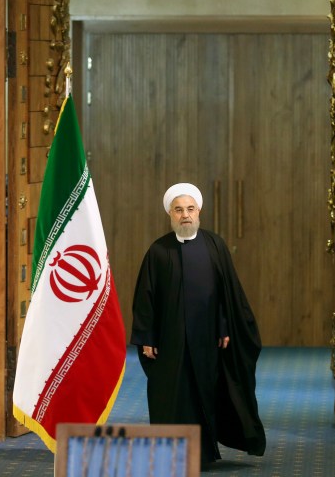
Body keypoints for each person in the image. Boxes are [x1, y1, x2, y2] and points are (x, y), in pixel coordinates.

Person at [130, 183, 266, 469]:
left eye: (190, 209)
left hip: (208, 340)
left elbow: (226, 293)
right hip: (170, 342)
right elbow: (145, 299)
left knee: (205, 392)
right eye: (178, 210)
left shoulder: (214, 246)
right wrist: (146, 337)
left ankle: (203, 454)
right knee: (172, 396)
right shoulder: (158, 251)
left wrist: (224, 326)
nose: (185, 216)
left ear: (199, 211)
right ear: (170, 214)